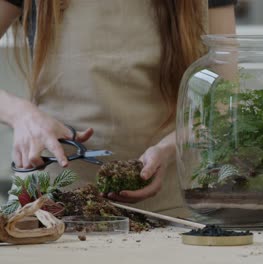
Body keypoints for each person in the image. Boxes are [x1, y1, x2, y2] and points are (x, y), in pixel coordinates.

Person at [0, 0, 236, 214]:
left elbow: (225, 102)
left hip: (171, 207)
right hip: (50, 203)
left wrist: (172, 146)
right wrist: (21, 115)